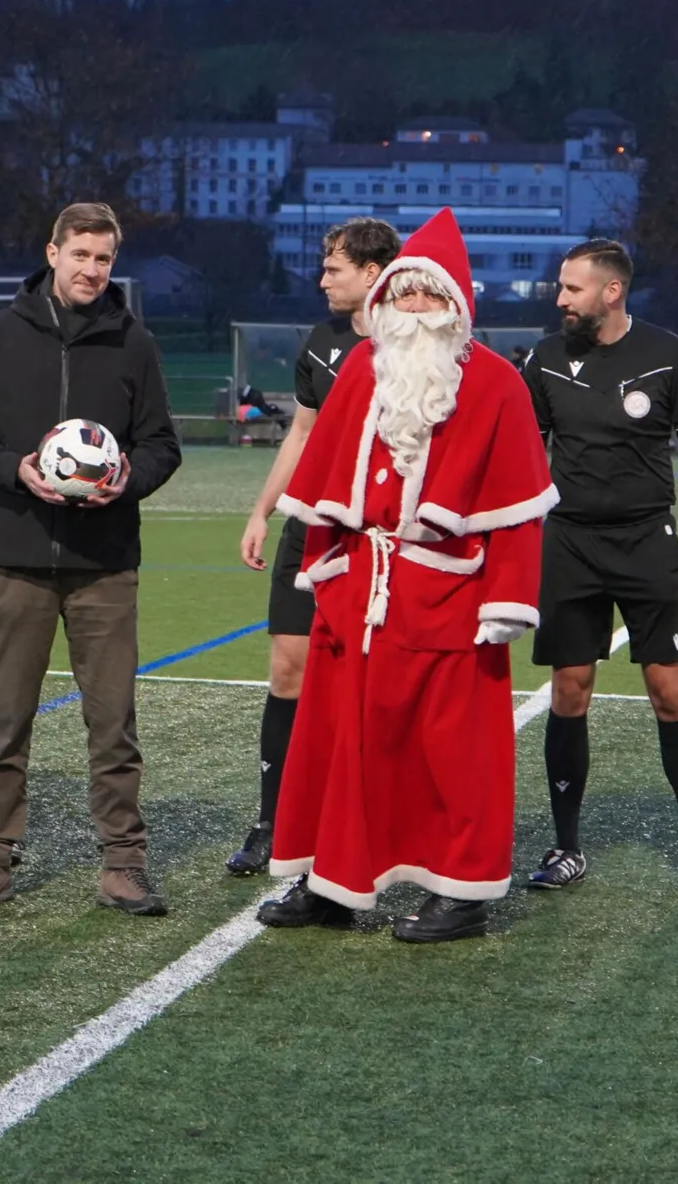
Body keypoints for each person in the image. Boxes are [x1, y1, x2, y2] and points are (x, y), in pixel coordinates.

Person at [256, 207, 556, 944]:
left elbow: (519, 506)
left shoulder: (495, 384)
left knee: (454, 755)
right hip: (361, 589)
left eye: (431, 294)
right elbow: (327, 476)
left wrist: (507, 602)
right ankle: (331, 880)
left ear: (458, 302)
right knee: (340, 743)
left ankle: (462, 892)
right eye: (405, 294)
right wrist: (324, 568)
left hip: (454, 593)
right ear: (385, 298)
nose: (416, 309)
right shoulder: (363, 367)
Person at [0, 202, 182, 915]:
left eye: (104, 259)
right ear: (53, 252)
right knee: (6, 719)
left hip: (104, 563)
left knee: (113, 723)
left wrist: (128, 476)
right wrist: (18, 469)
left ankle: (123, 865)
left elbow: (162, 443)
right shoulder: (0, 337)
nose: (92, 270)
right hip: (14, 559)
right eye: (81, 255)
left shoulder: (134, 343)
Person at [519, 239, 678, 898]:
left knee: (670, 692)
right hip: (570, 544)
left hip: (646, 542)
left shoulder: (667, 354)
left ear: (611, 292)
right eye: (560, 287)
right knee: (569, 689)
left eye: (572, 289)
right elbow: (524, 456)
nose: (560, 299)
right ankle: (565, 847)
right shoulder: (546, 359)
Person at [231, 216, 401, 875]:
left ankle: (364, 822)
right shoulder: (322, 339)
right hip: (311, 528)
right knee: (287, 671)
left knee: (371, 686)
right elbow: (301, 433)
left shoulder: (409, 344)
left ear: (371, 272)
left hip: (377, 540)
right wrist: (262, 509)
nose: (322, 278)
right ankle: (273, 820)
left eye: (333, 267)